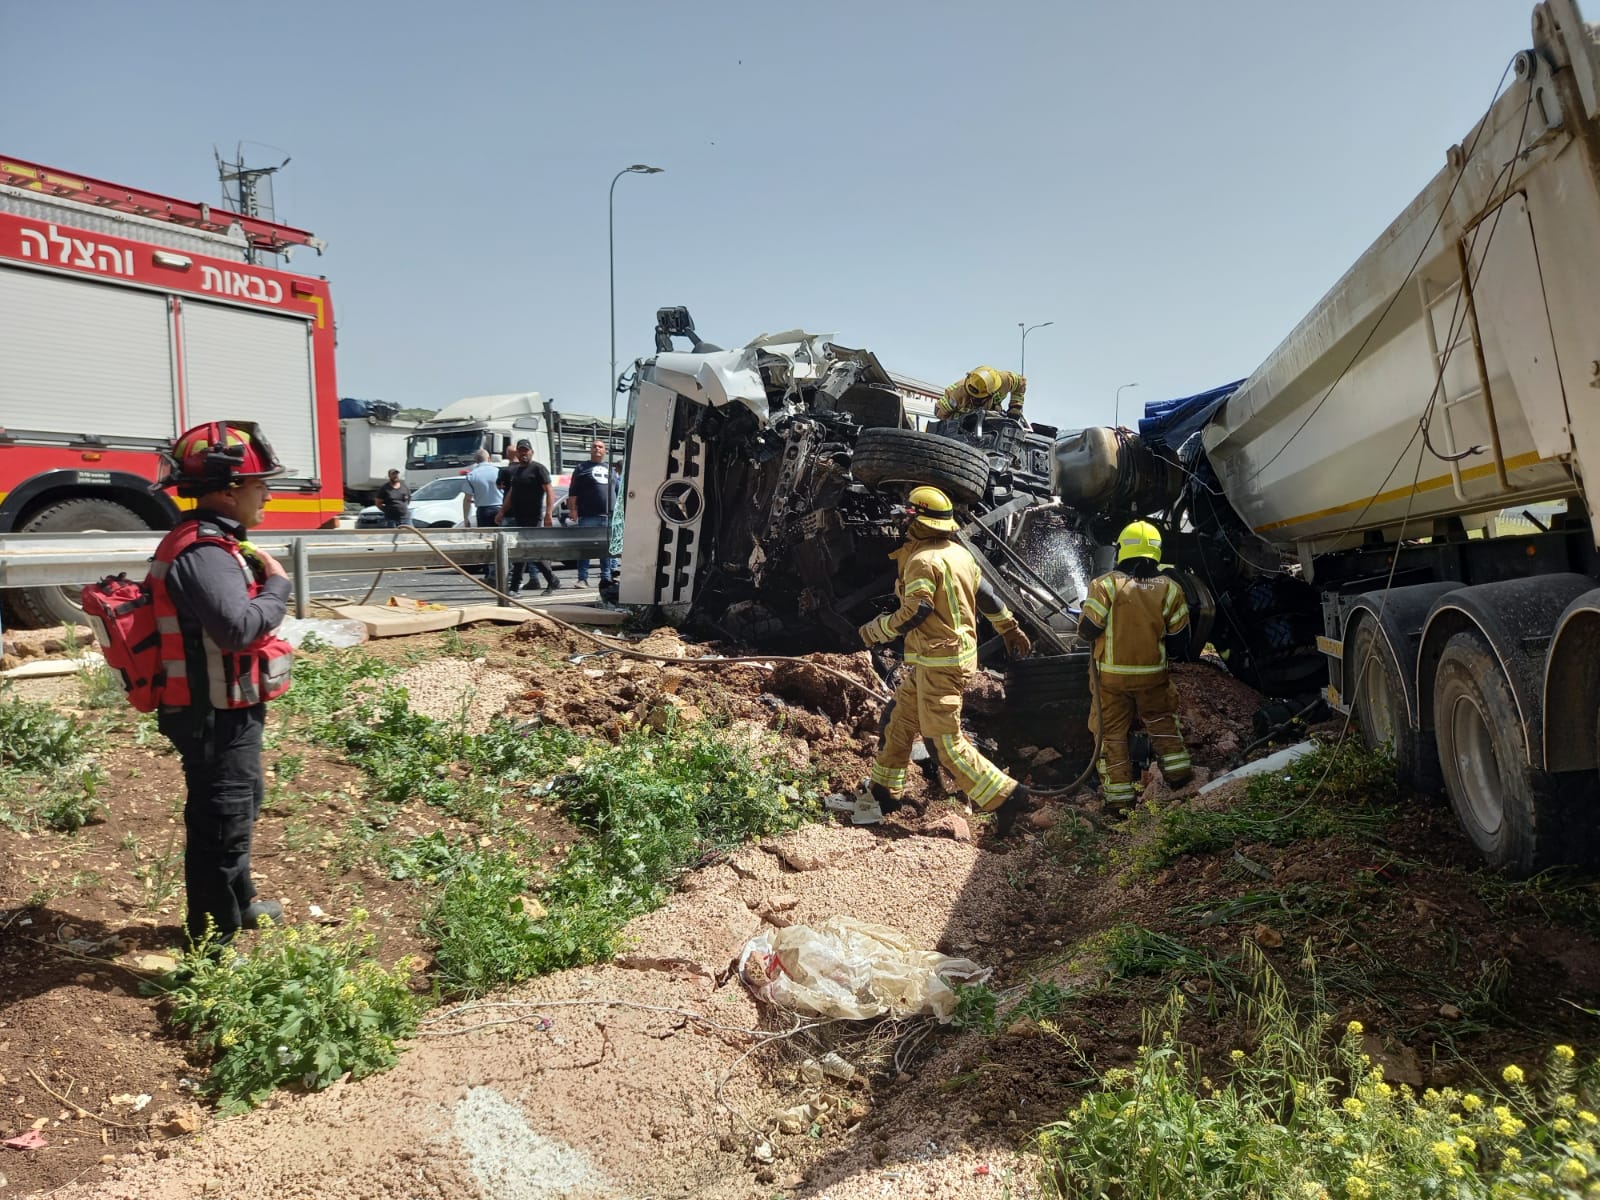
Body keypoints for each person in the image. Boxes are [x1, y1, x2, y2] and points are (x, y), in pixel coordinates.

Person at [149, 421, 295, 944]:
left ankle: (243, 901)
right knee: (220, 825)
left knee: (242, 801)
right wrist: (278, 585)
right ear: (229, 491)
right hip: (209, 713)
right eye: (261, 486)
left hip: (223, 706)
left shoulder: (217, 542)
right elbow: (236, 630)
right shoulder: (204, 552)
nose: (269, 496)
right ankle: (213, 943)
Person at [828, 485, 1034, 833]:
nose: (901, 523)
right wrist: (1008, 628)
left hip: (940, 662)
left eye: (907, 516)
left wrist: (876, 630)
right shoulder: (958, 553)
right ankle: (884, 792)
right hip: (940, 660)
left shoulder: (922, 560)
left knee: (944, 742)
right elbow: (986, 596)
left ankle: (1007, 796)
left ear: (919, 522)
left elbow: (917, 610)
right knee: (899, 721)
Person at [1077, 520, 1194, 814]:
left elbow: (1087, 630)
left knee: (1111, 734)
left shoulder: (1104, 585)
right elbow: (1181, 643)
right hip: (1153, 676)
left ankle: (1119, 801)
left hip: (1111, 680)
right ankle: (1180, 776)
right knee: (1161, 721)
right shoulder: (1170, 589)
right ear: (1156, 551)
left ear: (1121, 550)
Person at [496, 438, 559, 594]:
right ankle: (550, 580)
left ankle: (516, 587)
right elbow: (511, 493)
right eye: (521, 450)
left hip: (534, 517)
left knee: (526, 551)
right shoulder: (516, 471)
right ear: (517, 452)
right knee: (526, 552)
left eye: (526, 450)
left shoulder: (538, 469)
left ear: (531, 452)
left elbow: (550, 491)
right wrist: (502, 511)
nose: (524, 453)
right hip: (519, 517)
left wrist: (548, 513)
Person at [567, 439, 619, 586]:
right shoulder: (581, 468)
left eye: (600, 447)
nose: (597, 448)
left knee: (607, 549)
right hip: (588, 515)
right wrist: (573, 510)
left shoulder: (612, 470)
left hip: (609, 516)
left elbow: (618, 492)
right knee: (586, 549)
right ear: (590, 450)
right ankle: (582, 578)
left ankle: (606, 578)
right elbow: (573, 491)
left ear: (605, 451)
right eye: (594, 446)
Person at [461, 447, 505, 587]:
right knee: (502, 543)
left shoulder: (472, 475)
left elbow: (467, 499)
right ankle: (501, 573)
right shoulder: (499, 471)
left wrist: (466, 518)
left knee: (488, 544)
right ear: (489, 459)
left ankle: (490, 574)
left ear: (476, 461)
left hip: (483, 511)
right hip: (500, 508)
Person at [936, 366, 1027, 421]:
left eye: (979, 398)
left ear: (992, 391)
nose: (975, 400)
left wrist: (1015, 408)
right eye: (973, 396)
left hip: (993, 413)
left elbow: (1021, 383)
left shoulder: (1006, 380)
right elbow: (939, 413)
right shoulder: (956, 394)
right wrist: (965, 419)